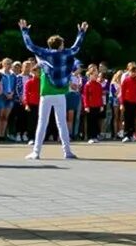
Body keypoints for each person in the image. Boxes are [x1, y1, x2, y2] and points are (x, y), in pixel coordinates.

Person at [20, 18, 86, 160]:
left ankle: (36, 152)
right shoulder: (66, 53)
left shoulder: (45, 54)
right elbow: (77, 46)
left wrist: (24, 30)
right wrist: (81, 32)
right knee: (61, 122)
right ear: (61, 45)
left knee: (42, 122)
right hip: (61, 92)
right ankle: (67, 151)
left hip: (46, 92)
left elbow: (29, 45)